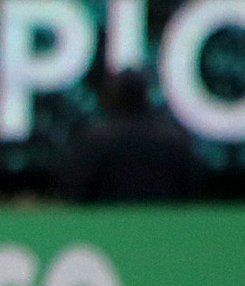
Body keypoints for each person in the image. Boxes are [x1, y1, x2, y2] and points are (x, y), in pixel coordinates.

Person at [56, 69, 202, 201]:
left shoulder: (95, 140)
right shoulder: (172, 138)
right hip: (164, 225)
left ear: (112, 96)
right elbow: (193, 189)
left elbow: (76, 190)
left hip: (106, 226)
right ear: (146, 97)